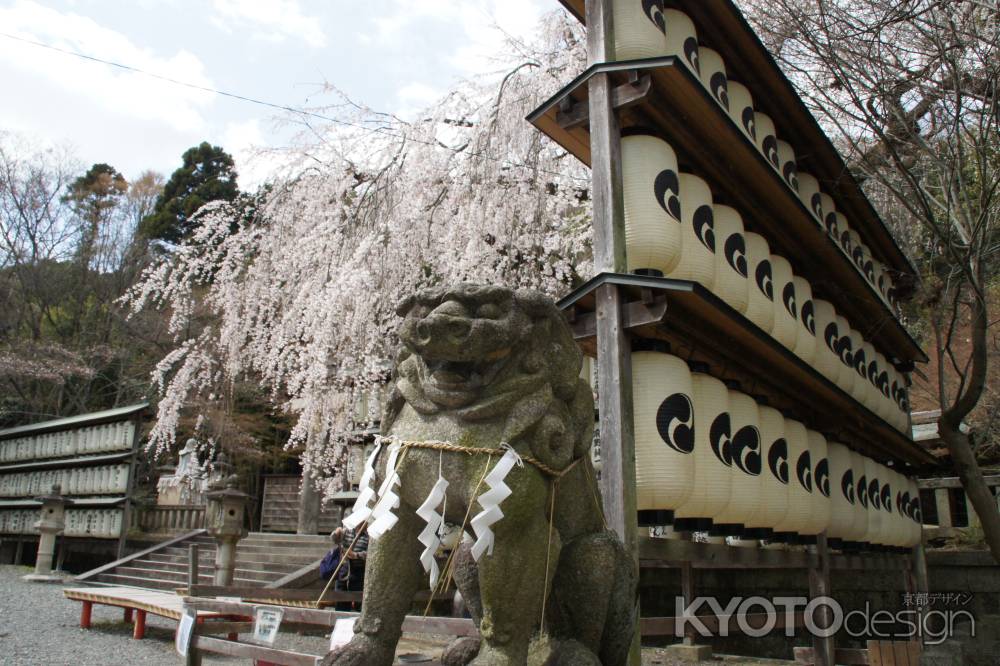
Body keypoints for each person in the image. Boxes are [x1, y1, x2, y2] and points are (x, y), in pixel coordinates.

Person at [331, 524, 368, 610]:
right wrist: (336, 533)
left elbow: (370, 552)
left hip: (359, 570)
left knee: (358, 601)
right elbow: (335, 539)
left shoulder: (369, 535)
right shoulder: (347, 531)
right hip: (344, 568)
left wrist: (356, 555)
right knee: (341, 598)